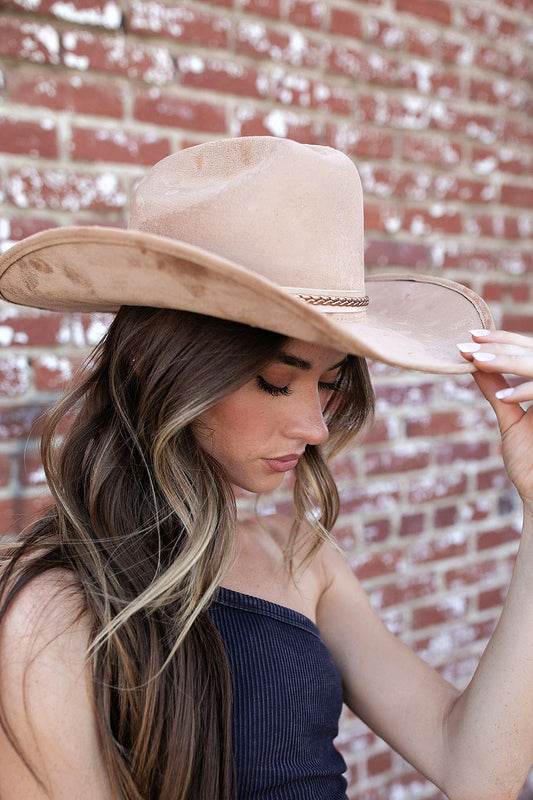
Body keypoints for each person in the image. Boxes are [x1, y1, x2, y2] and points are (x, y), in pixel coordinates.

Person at [0, 136, 531, 800]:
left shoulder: (301, 559)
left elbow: (476, 769)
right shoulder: (52, 612)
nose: (313, 428)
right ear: (159, 369)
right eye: (278, 383)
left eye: (331, 384)